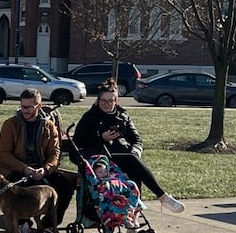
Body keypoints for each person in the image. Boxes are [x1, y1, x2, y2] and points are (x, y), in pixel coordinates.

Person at [72, 80, 184, 213]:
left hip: (125, 156)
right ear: (98, 100)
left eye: (110, 101)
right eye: (103, 100)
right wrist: (101, 138)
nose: (107, 104)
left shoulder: (123, 115)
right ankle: (162, 197)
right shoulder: (90, 117)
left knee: (135, 175)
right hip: (102, 158)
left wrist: (135, 153)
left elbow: (136, 139)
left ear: (116, 100)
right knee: (132, 163)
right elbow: (78, 141)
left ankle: (133, 218)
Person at [0, 88, 77, 233]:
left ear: (38, 106)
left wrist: (45, 169)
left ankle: (47, 225)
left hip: (41, 168)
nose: (24, 110)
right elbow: (5, 154)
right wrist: (24, 168)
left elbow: (55, 152)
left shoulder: (49, 125)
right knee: (19, 188)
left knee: (65, 184)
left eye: (28, 107)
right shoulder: (10, 125)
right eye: (22, 106)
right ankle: (22, 225)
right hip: (16, 169)